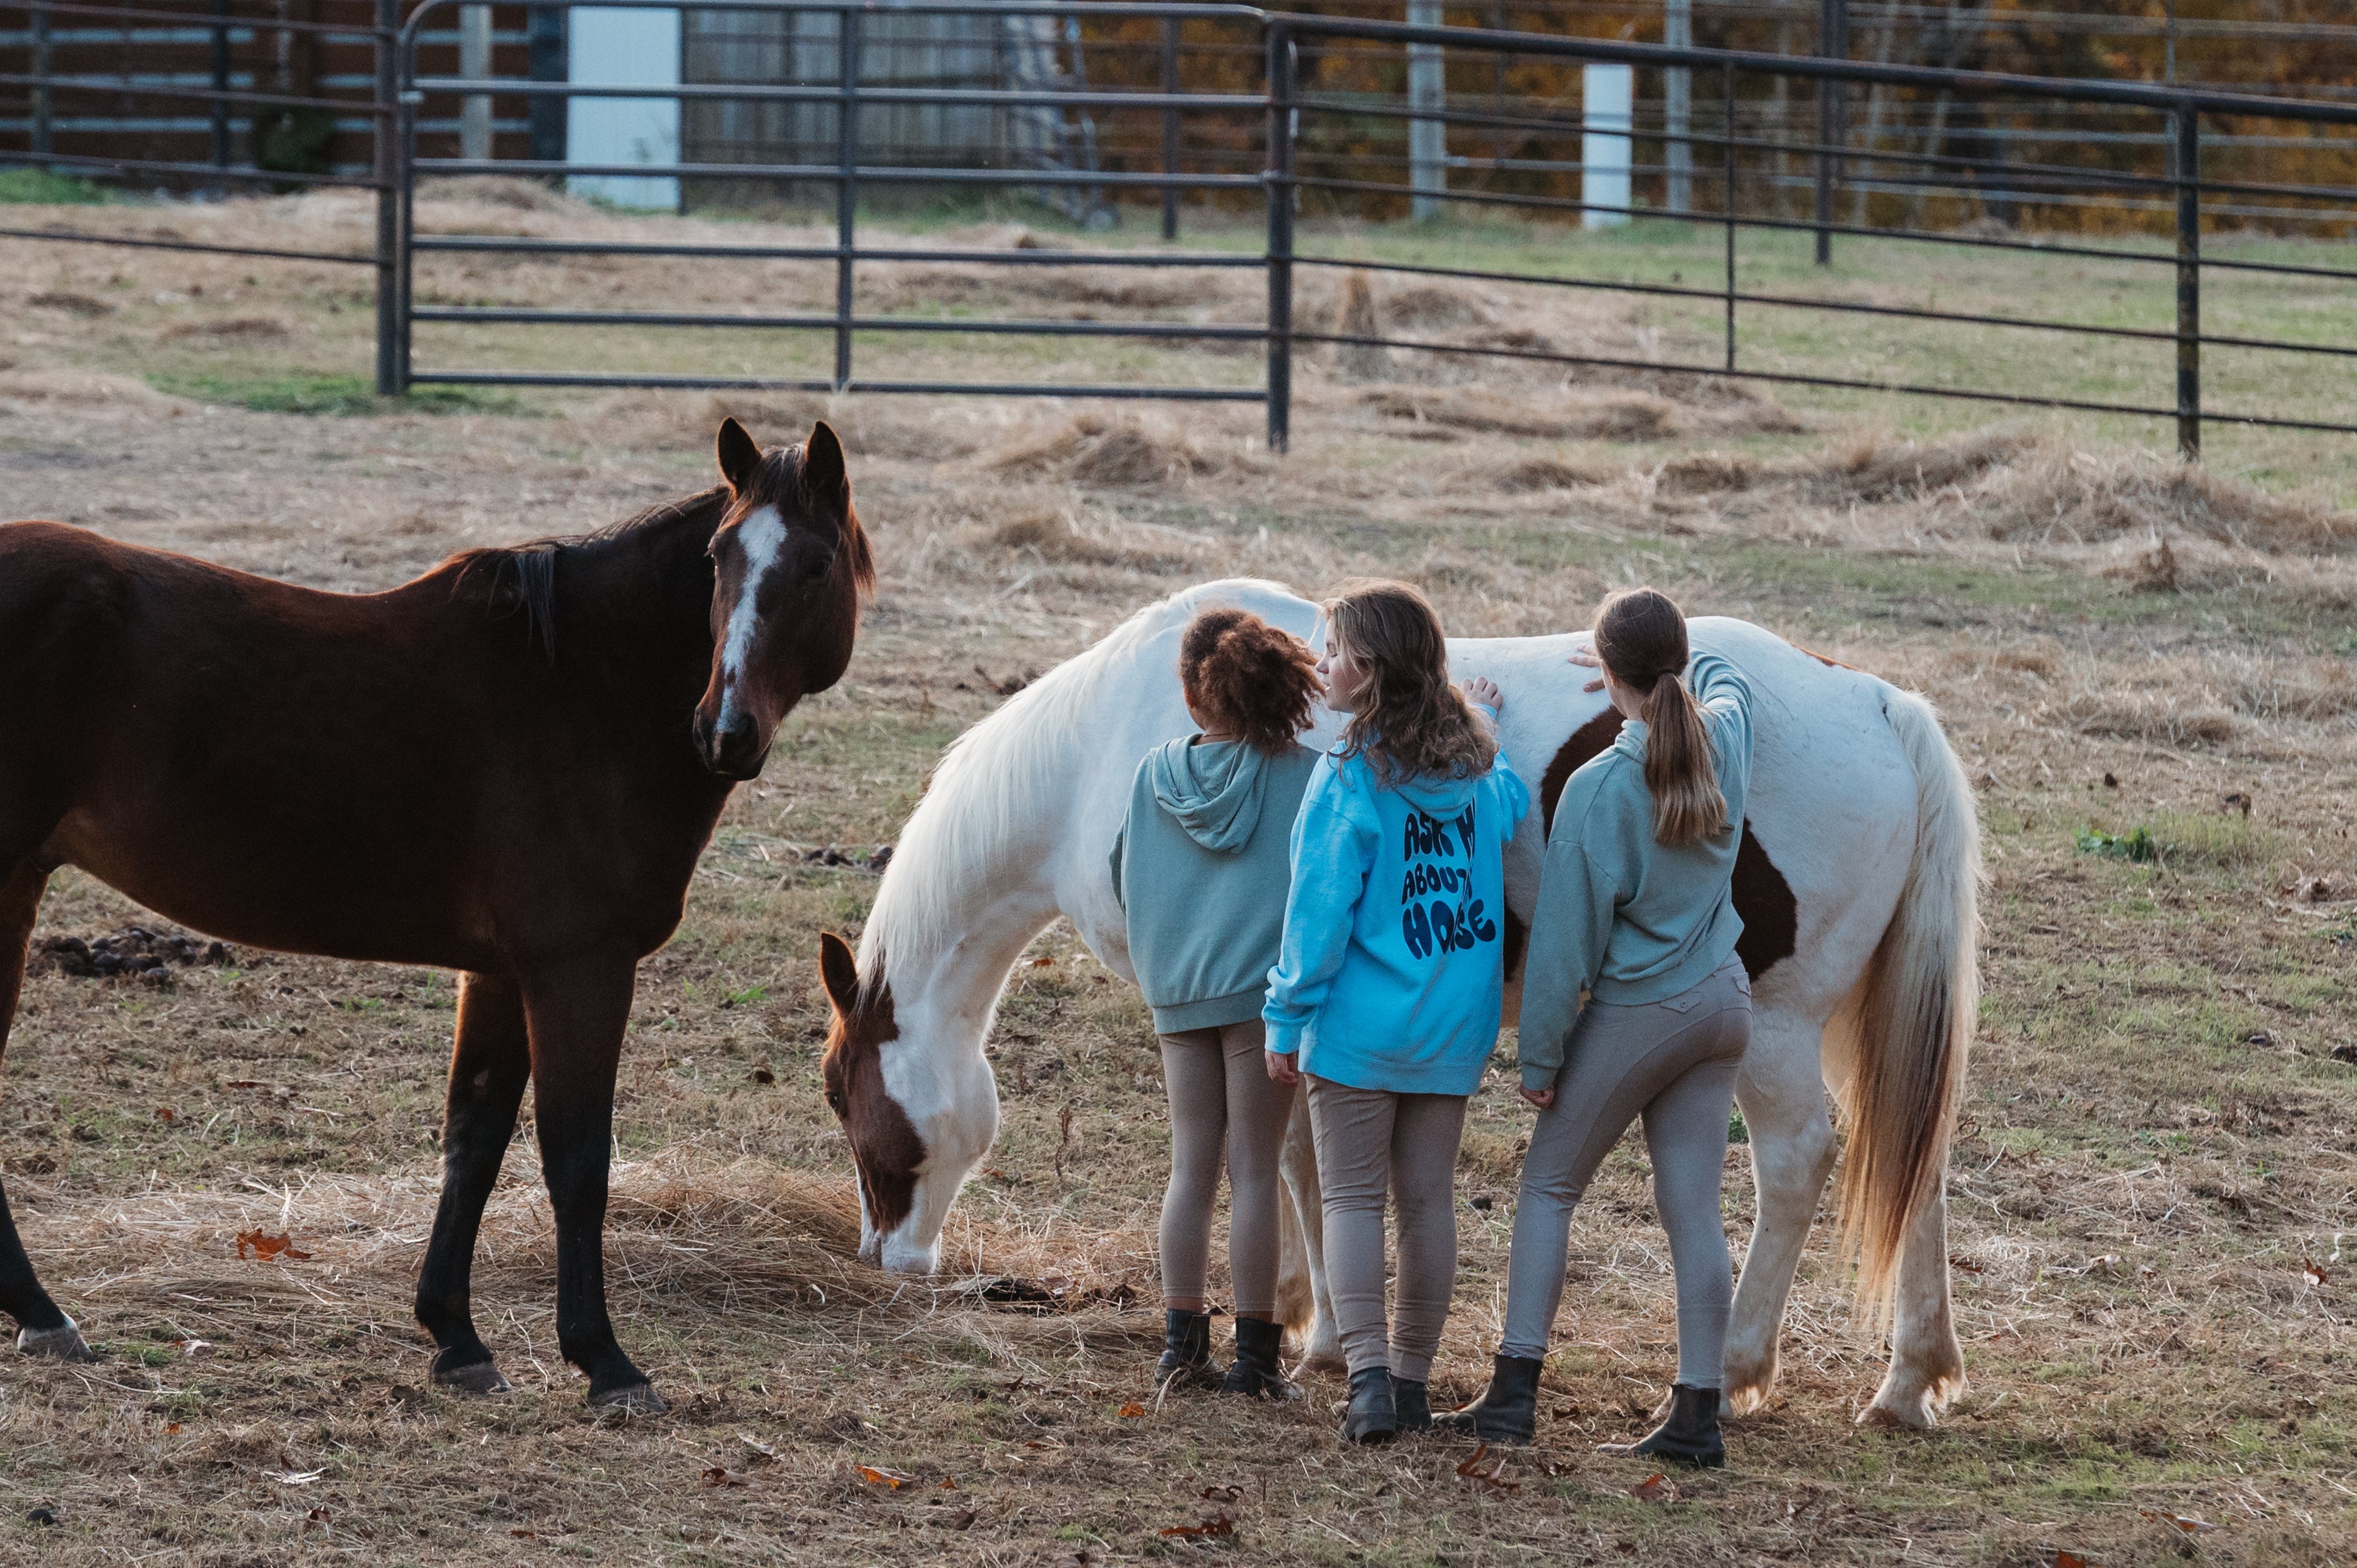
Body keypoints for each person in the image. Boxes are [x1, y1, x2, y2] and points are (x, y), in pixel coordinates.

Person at [1438, 587, 1756, 1468]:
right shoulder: (1725, 733)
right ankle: (1696, 1415)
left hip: (1642, 1009)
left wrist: (1538, 1057)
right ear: (1679, 664)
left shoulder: (1597, 786)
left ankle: (1511, 1395)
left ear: (1606, 676)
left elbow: (1564, 950)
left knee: (1546, 1186)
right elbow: (1731, 682)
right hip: (1722, 998)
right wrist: (1670, 665)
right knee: (1693, 1208)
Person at [1262, 581, 1529, 1445]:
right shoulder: (1476, 775)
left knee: (1347, 1202)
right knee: (1427, 1206)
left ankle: (1368, 1382)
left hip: (1356, 1032)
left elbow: (1316, 915)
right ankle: (1412, 1382)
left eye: (1334, 652)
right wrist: (1488, 728)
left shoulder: (1345, 781)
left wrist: (1283, 1018)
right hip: (1452, 1029)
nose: (1321, 665)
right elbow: (1514, 802)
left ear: (1368, 672)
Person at [1112, 607, 1325, 1398]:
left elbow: (1119, 876)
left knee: (1190, 1167)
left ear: (1195, 695)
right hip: (1262, 1000)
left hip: (1178, 996)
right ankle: (1256, 1361)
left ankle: (1180, 1344)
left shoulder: (1150, 775)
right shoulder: (1306, 776)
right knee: (1256, 1172)